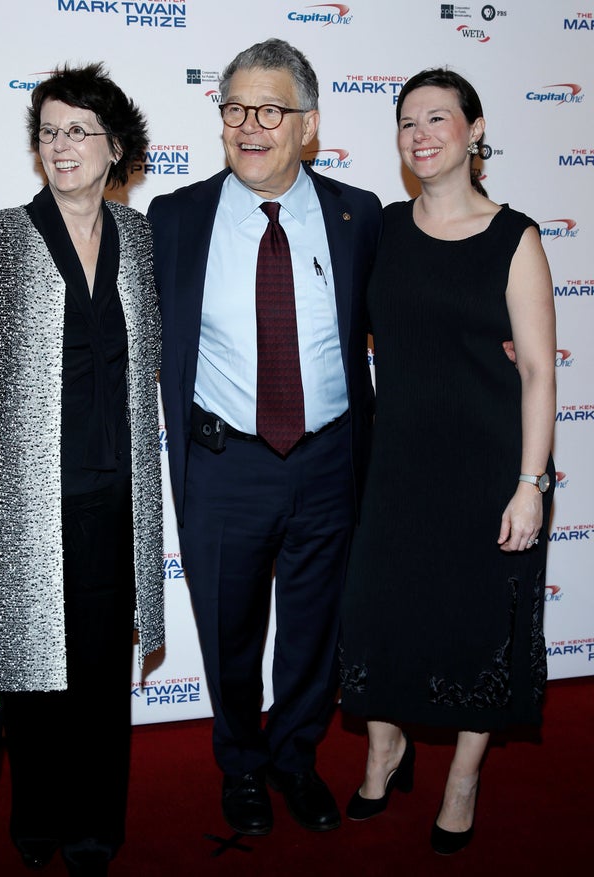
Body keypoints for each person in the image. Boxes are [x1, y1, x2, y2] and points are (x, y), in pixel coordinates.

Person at [0, 63, 163, 877]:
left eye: (80, 130)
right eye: (50, 130)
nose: (62, 146)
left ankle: (95, 826)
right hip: (22, 502)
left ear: (114, 147)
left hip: (113, 497)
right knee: (31, 679)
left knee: (100, 677)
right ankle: (38, 817)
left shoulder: (140, 241)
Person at [147, 38, 381, 836]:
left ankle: (295, 757)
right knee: (229, 628)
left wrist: (490, 342)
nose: (250, 126)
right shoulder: (174, 218)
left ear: (308, 124)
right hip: (224, 463)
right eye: (236, 108)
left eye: (271, 109)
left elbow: (406, 319)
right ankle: (241, 763)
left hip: (328, 460)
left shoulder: (360, 215)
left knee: (315, 628)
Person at [338, 68, 556, 854]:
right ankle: (385, 746)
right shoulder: (383, 229)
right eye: (406, 122)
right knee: (380, 613)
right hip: (396, 465)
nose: (420, 134)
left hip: (491, 466)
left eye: (437, 118)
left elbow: (536, 369)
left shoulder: (516, 235)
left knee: (474, 626)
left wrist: (530, 484)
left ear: (474, 129)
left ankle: (463, 774)